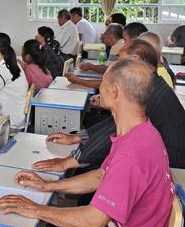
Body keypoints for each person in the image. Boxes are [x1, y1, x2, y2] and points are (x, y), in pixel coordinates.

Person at [0, 58, 174, 227]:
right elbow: (101, 176)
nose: (99, 86)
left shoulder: (131, 154)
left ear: (114, 91)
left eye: (103, 81)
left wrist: (35, 209)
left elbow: (94, 220)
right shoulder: (142, 132)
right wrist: (48, 185)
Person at [33, 40, 185, 175]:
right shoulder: (150, 83)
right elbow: (114, 124)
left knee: (91, 179)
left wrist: (70, 161)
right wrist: (76, 137)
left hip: (171, 167)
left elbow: (116, 133)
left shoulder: (147, 91)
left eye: (121, 61)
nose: (116, 65)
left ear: (136, 62)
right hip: (159, 159)